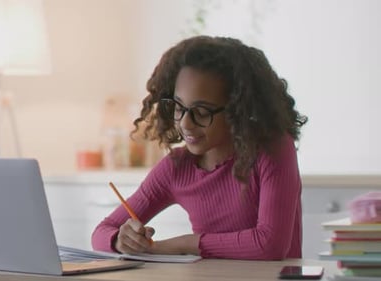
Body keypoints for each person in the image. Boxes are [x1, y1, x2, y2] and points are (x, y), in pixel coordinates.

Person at [91, 36, 308, 260]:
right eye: (178, 107)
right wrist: (120, 240)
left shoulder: (273, 148)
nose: (185, 123)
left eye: (202, 112)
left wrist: (183, 244)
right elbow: (100, 233)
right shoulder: (177, 167)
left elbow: (270, 245)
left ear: (237, 111)